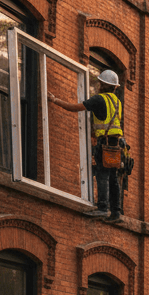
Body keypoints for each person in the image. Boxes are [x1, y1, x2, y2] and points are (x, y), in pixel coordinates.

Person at [49, 69, 125, 220]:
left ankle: (103, 208)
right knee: (113, 177)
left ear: (102, 84)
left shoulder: (99, 99)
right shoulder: (117, 101)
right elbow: (107, 120)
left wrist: (55, 100)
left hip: (105, 143)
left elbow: (76, 107)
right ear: (115, 87)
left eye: (99, 83)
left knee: (102, 175)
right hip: (116, 145)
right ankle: (116, 212)